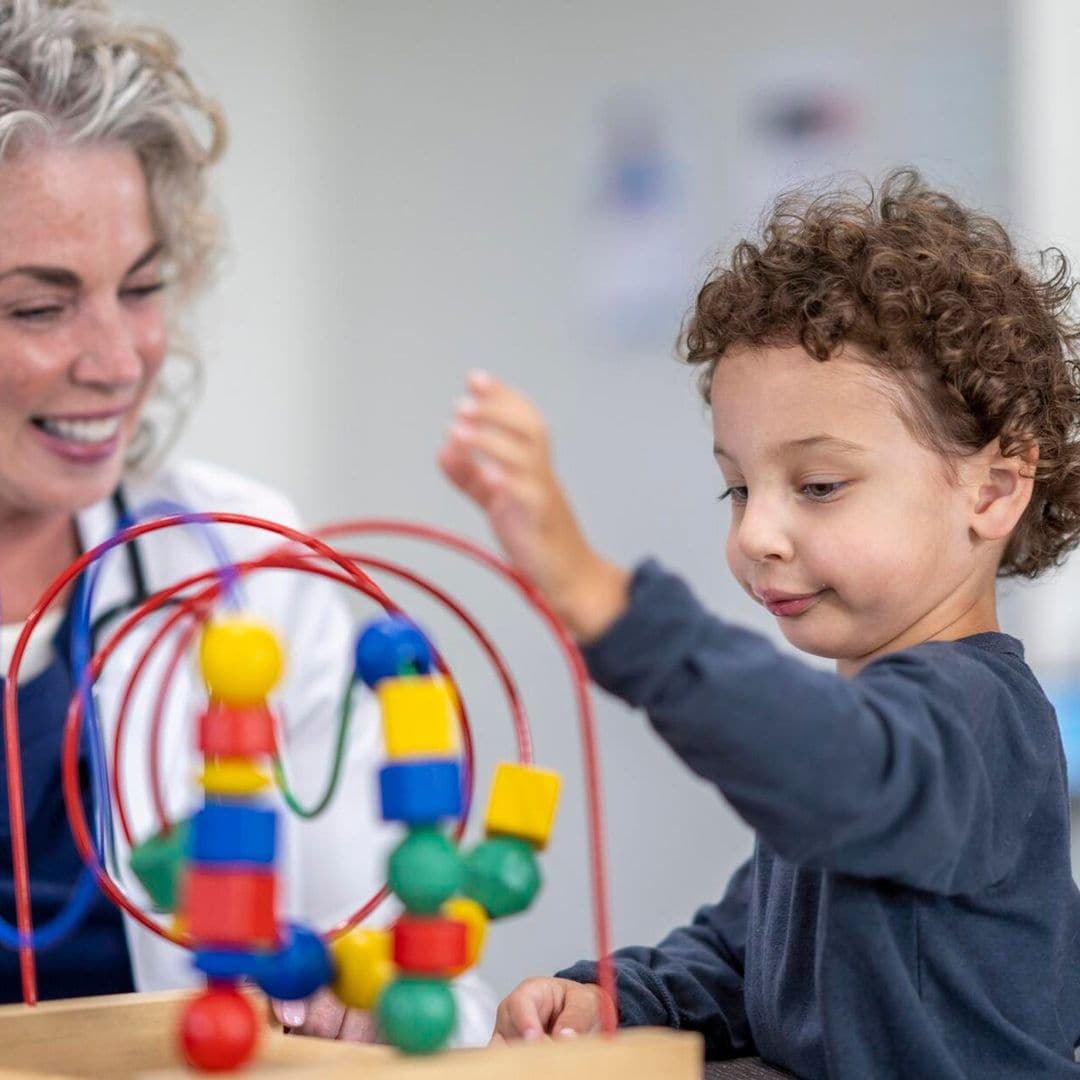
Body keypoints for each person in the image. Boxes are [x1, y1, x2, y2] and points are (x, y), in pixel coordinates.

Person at [439, 170, 1080, 1076]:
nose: (755, 534)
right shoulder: (860, 743)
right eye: (738, 487)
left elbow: (830, 763)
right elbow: (751, 959)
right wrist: (620, 1000)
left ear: (994, 487)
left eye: (818, 486)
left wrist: (601, 597)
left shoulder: (974, 726)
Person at [0, 0, 494, 1045]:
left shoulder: (239, 559)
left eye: (140, 288)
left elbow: (404, 957)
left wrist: (375, 1005)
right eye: (38, 307)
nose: (119, 358)